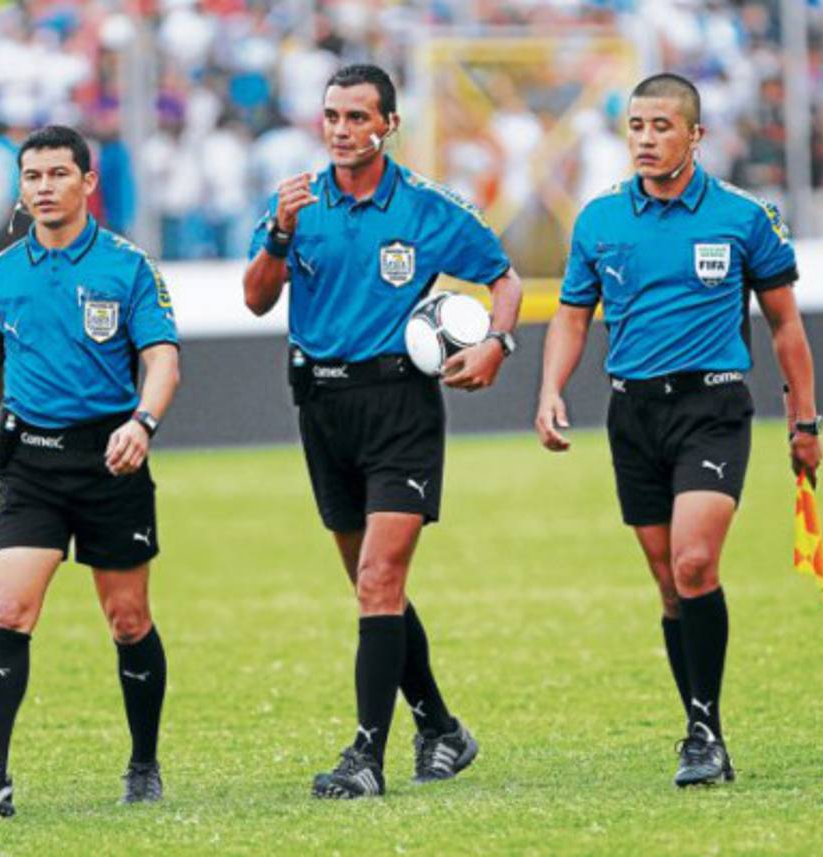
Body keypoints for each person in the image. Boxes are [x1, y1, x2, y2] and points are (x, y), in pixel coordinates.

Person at [242, 64, 523, 799]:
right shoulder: (297, 202)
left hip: (400, 407)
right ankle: (442, 727)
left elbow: (506, 278)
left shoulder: (428, 208)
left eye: (357, 117)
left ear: (388, 125)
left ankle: (366, 753)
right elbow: (255, 298)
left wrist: (496, 342)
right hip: (322, 407)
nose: (341, 129)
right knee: (374, 588)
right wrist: (278, 233)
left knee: (378, 579)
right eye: (331, 115)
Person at [534, 73, 822, 787]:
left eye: (662, 126)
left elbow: (786, 324)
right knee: (669, 583)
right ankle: (702, 727)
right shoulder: (600, 220)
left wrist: (805, 417)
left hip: (713, 408)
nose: (646, 139)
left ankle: (703, 731)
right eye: (636, 126)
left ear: (695, 135)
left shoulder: (744, 216)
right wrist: (549, 390)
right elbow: (573, 316)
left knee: (695, 563)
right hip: (634, 414)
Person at [0, 125, 181, 816]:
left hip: (111, 460)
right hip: (30, 465)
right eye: (32, 176)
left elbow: (163, 358)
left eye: (56, 174)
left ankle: (143, 762)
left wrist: (142, 422)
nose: (43, 187)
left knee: (128, 619)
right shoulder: (0, 275)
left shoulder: (128, 267)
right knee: (11, 609)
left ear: (87, 182)